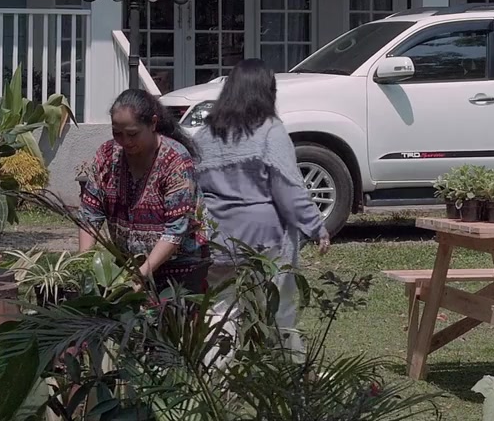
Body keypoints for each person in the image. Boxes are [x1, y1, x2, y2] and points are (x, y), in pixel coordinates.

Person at [193, 58, 330, 353]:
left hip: (217, 239)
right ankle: (283, 369)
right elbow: (288, 189)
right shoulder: (270, 131)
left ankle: (213, 372)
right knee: (275, 311)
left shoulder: (205, 134)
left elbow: (195, 187)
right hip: (264, 241)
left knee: (220, 311)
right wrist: (316, 226)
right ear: (268, 91)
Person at [78, 88, 209, 294]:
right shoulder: (107, 156)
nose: (125, 142)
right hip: (128, 266)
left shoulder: (176, 161)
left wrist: (144, 272)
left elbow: (176, 229)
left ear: (153, 123)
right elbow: (90, 215)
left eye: (133, 134)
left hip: (179, 270)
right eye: (117, 133)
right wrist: (83, 266)